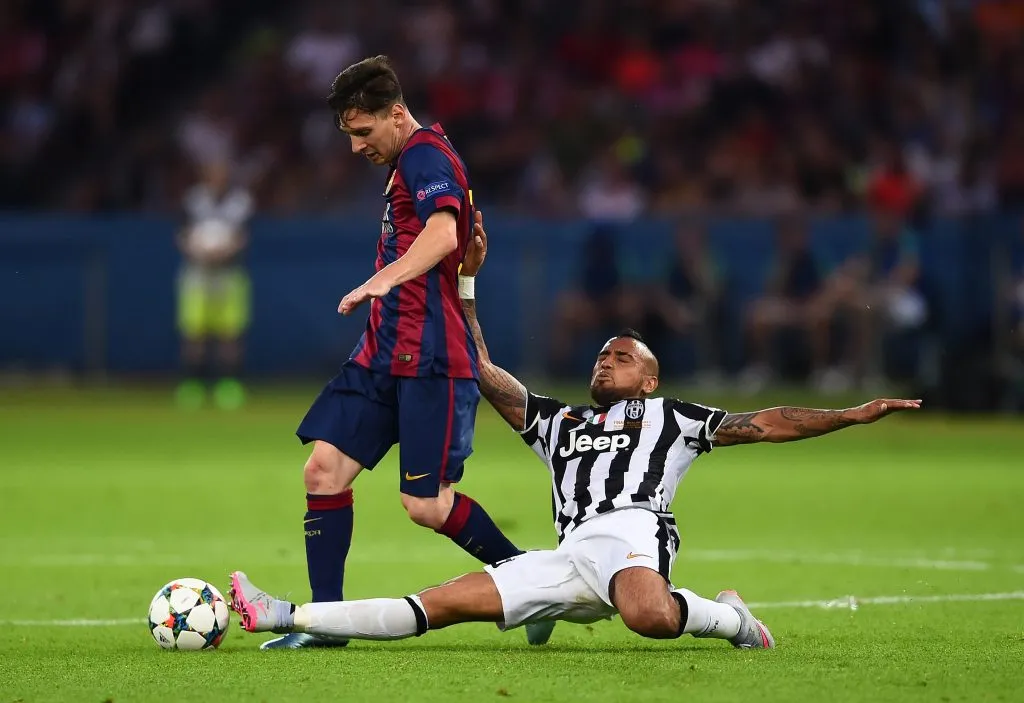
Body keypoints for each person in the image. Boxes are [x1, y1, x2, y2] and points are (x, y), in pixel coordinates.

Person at [230, 211, 921, 649]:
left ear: (648, 379)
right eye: (603, 352)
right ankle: (285, 613)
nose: (607, 358)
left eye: (623, 356)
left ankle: (735, 619)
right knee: (436, 605)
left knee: (648, 615)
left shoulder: (672, 416)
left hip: (632, 535)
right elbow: (482, 369)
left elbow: (766, 422)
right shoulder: (557, 421)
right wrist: (468, 285)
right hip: (565, 556)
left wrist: (852, 413)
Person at [263, 56, 547, 650]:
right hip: (382, 353)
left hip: (431, 359)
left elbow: (444, 233)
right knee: (322, 471)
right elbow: (455, 249)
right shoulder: (413, 160)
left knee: (424, 503)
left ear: (396, 115)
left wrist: (383, 279)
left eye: (363, 133)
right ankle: (327, 623)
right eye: (349, 135)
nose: (356, 147)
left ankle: (531, 585)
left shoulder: (424, 155)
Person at [174, 160, 253, 410]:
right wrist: (197, 251)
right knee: (194, 332)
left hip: (229, 275)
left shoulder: (240, 202)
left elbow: (245, 236)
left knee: (230, 333)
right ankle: (192, 385)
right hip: (198, 274)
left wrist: (225, 251)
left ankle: (228, 386)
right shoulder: (194, 200)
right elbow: (181, 233)